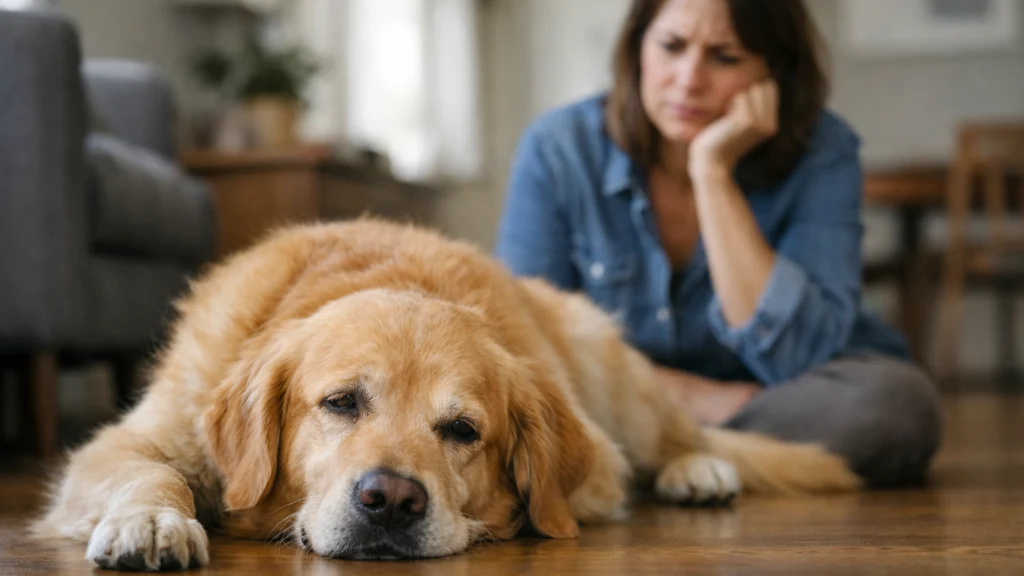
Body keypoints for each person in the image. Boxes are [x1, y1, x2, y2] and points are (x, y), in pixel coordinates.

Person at [494, 0, 942, 486]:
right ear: (637, 47)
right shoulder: (559, 149)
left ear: (774, 70)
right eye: (671, 46)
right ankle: (694, 451)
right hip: (638, 397)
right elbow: (530, 343)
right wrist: (694, 397)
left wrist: (712, 172)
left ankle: (651, 453)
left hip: (778, 394)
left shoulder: (823, 152)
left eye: (725, 57)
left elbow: (797, 355)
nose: (689, 79)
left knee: (896, 408)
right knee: (534, 397)